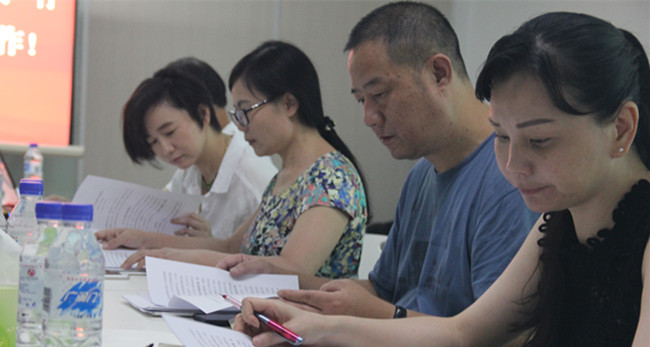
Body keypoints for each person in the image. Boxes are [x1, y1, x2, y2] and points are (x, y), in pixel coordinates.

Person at [235, 11, 650, 347]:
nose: (513, 165)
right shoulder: (558, 219)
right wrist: (318, 328)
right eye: (501, 137)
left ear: (620, 128)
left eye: (540, 140)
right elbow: (462, 331)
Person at [222, 1, 536, 323]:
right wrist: (282, 286)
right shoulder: (421, 176)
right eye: (361, 100)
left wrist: (378, 316)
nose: (369, 117)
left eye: (380, 94)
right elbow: (381, 290)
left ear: (438, 74)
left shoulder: (511, 180)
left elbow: (502, 339)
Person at [99, 41, 368, 280]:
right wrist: (147, 241)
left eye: (246, 111)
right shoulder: (286, 177)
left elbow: (293, 270)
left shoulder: (330, 177)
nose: (240, 125)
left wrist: (174, 257)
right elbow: (229, 247)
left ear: (289, 104)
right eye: (237, 114)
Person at [113, 62, 276, 240]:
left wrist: (211, 244)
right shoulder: (190, 168)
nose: (166, 149)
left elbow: (275, 253)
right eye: (153, 142)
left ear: (203, 114)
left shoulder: (252, 177)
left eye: (170, 132)